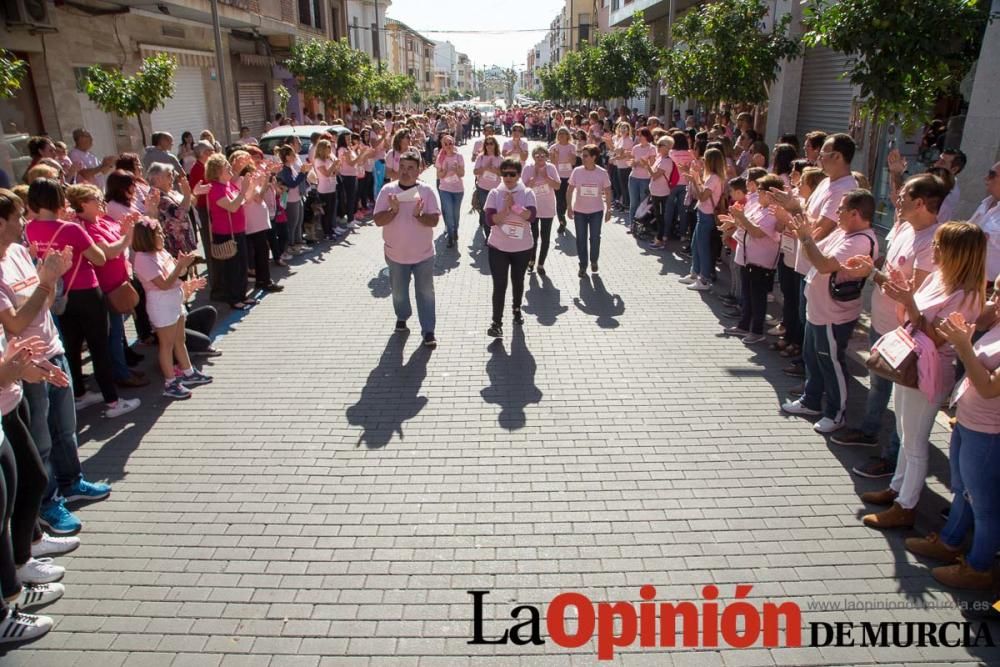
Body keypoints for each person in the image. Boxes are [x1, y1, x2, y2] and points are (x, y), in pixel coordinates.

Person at [0, 188, 113, 535]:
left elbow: (42, 304)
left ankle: (72, 481)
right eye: (19, 216)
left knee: (65, 430)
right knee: (42, 439)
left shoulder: (20, 251)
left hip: (54, 349)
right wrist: (46, 282)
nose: (25, 222)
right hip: (27, 366)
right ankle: (48, 503)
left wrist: (49, 281)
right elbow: (15, 323)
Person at [860, 222, 985, 529]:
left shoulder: (968, 295)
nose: (935, 249)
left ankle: (906, 506)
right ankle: (898, 489)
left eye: (941, 245)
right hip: (911, 362)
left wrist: (909, 301)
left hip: (929, 371)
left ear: (959, 253)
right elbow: (911, 319)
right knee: (904, 434)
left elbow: (939, 336)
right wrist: (902, 293)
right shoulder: (940, 278)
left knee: (915, 441)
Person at [832, 174, 945, 479]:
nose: (897, 198)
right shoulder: (905, 228)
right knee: (878, 385)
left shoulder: (932, 242)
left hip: (906, 336)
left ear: (920, 203)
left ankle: (892, 459)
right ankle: (869, 431)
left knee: (901, 402)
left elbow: (913, 297)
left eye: (904, 194)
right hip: (882, 326)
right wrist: (876, 271)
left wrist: (873, 273)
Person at [904, 287, 1000, 590]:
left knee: (985, 507)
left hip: (989, 433)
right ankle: (950, 542)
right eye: (995, 291)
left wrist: (963, 346)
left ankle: (978, 568)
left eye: (999, 294)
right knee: (963, 490)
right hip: (969, 424)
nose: (994, 300)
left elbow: (988, 388)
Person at [24, 179, 141, 419]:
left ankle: (79, 394)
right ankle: (112, 401)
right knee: (100, 346)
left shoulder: (29, 228)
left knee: (72, 347)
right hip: (86, 291)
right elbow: (99, 258)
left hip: (56, 294)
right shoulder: (71, 229)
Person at [781, 189, 879, 433]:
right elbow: (812, 252)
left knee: (831, 363)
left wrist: (805, 238)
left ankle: (836, 414)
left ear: (855, 213)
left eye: (841, 208)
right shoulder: (843, 232)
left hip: (834, 315)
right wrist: (805, 238)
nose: (837, 213)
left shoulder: (859, 240)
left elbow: (823, 264)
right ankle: (810, 400)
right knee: (812, 358)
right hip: (818, 310)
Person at [64, 184, 147, 390]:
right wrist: (127, 237)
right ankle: (120, 373)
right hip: (106, 288)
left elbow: (116, 238)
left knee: (117, 333)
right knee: (114, 334)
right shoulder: (85, 227)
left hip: (118, 283)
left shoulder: (101, 221)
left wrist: (124, 230)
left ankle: (121, 368)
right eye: (95, 198)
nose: (101, 201)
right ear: (83, 203)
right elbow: (108, 252)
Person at [132, 219, 212, 399]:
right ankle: (170, 382)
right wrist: (179, 266)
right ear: (147, 237)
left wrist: (183, 266)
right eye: (158, 233)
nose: (162, 235)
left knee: (180, 339)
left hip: (175, 300)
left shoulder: (161, 252)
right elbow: (164, 284)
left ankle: (188, 372)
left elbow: (179, 275)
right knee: (166, 345)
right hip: (161, 303)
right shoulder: (143, 259)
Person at [373, 150, 441, 348]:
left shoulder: (427, 191)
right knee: (399, 293)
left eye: (411, 168)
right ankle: (402, 316)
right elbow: (378, 220)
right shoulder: (388, 190)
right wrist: (393, 211)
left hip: (424, 255)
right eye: (402, 167)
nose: (405, 172)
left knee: (426, 293)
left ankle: (428, 331)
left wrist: (420, 216)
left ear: (419, 169)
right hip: (396, 255)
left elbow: (435, 220)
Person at [719, 174, 785, 344]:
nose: (757, 194)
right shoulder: (759, 207)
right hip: (747, 258)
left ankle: (756, 330)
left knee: (758, 298)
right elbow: (746, 224)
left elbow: (757, 232)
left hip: (761, 262)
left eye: (761, 191)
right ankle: (744, 325)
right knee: (747, 295)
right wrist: (733, 221)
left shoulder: (773, 212)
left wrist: (740, 219)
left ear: (771, 194)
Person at [484, 159, 537, 338]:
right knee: (499, 285)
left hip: (522, 247)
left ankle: (516, 308)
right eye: (504, 173)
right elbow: (490, 220)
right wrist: (506, 209)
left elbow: (531, 217)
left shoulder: (528, 192)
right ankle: (496, 323)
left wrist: (514, 205)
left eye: (512, 174)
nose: (508, 177)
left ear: (519, 175)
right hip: (498, 246)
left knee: (518, 280)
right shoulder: (494, 193)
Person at [206, 154, 258, 310]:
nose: (230, 169)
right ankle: (234, 298)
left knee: (242, 265)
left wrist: (251, 186)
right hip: (226, 233)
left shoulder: (229, 185)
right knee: (232, 268)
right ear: (218, 171)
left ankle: (242, 295)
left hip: (239, 231)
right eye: (226, 167)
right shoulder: (215, 189)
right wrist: (243, 191)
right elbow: (232, 206)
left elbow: (245, 200)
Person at [679, 147, 726, 291]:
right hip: (703, 214)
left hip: (707, 215)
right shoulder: (712, 176)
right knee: (695, 245)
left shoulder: (714, 178)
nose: (703, 161)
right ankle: (695, 273)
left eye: (705, 159)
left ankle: (704, 279)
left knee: (702, 247)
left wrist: (694, 180)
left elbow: (702, 197)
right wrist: (696, 178)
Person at [567, 145, 613, 278]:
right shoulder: (577, 171)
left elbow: (608, 191)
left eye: (586, 155)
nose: (583, 157)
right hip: (580, 211)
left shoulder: (602, 172)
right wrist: (569, 207)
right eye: (582, 155)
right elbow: (570, 189)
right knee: (580, 239)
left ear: (594, 157)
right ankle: (582, 265)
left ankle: (594, 260)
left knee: (594, 238)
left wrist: (609, 209)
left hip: (596, 211)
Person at [521, 147, 559, 276]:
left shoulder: (551, 168)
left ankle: (541, 264)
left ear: (546, 156)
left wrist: (546, 177)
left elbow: (558, 186)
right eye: (537, 155)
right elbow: (522, 188)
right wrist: (533, 179)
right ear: (533, 156)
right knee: (533, 236)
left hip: (547, 208)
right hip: (532, 208)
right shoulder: (528, 168)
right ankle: (531, 260)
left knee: (545, 237)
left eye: (543, 155)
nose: (540, 157)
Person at [275, 142, 312, 254]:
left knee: (299, 221)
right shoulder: (284, 169)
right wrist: (303, 172)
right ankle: (290, 245)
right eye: (292, 154)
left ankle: (298, 243)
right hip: (290, 200)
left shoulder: (290, 167)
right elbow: (292, 184)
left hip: (297, 197)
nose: (295, 156)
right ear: (286, 157)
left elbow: (298, 180)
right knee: (292, 224)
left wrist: (304, 173)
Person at [435, 134, 465, 248]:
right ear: (442, 145)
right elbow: (439, 175)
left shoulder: (459, 156)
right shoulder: (440, 157)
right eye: (445, 144)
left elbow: (462, 174)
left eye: (450, 143)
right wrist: (445, 170)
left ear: (453, 143)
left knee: (455, 213)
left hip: (458, 190)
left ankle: (455, 230)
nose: (448, 146)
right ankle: (451, 237)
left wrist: (457, 170)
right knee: (448, 212)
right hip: (445, 189)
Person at [312, 139, 342, 241]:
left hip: (332, 187)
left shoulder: (329, 159)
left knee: (332, 211)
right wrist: (334, 166)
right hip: (324, 190)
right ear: (322, 149)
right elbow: (326, 174)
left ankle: (331, 230)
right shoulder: (318, 161)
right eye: (327, 147)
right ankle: (326, 233)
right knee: (326, 213)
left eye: (330, 147)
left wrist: (336, 167)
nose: (330, 149)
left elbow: (334, 173)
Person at [473, 136, 503, 238]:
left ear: (495, 145)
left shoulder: (500, 158)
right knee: (486, 211)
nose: (489, 146)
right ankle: (488, 235)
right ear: (484, 145)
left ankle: (495, 233)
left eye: (491, 143)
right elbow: (475, 172)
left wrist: (494, 170)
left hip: (496, 190)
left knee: (495, 211)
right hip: (482, 188)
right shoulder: (480, 157)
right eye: (487, 144)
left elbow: (503, 173)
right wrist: (485, 168)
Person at [550, 128, 577, 235]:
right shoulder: (553, 147)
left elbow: (574, 162)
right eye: (559, 133)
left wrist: (571, 157)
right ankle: (561, 221)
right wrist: (555, 156)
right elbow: (552, 163)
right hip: (557, 177)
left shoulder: (572, 147)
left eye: (563, 133)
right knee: (559, 199)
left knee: (566, 199)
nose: (561, 135)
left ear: (567, 135)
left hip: (568, 177)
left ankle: (563, 213)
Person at [628, 127, 656, 228]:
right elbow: (632, 162)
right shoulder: (635, 148)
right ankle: (632, 224)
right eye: (638, 135)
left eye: (640, 135)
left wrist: (639, 163)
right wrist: (634, 163)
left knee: (643, 202)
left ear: (646, 136)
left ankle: (641, 225)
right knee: (633, 202)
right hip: (633, 177)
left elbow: (652, 165)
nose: (638, 137)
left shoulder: (652, 148)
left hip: (645, 178)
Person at [610, 122, 634, 213]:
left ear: (628, 130)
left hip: (625, 166)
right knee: (621, 186)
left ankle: (627, 206)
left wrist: (614, 158)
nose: (623, 130)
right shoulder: (621, 139)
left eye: (625, 128)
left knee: (625, 187)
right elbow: (615, 150)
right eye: (622, 128)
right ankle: (624, 204)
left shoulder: (628, 140)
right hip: (620, 165)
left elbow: (622, 154)